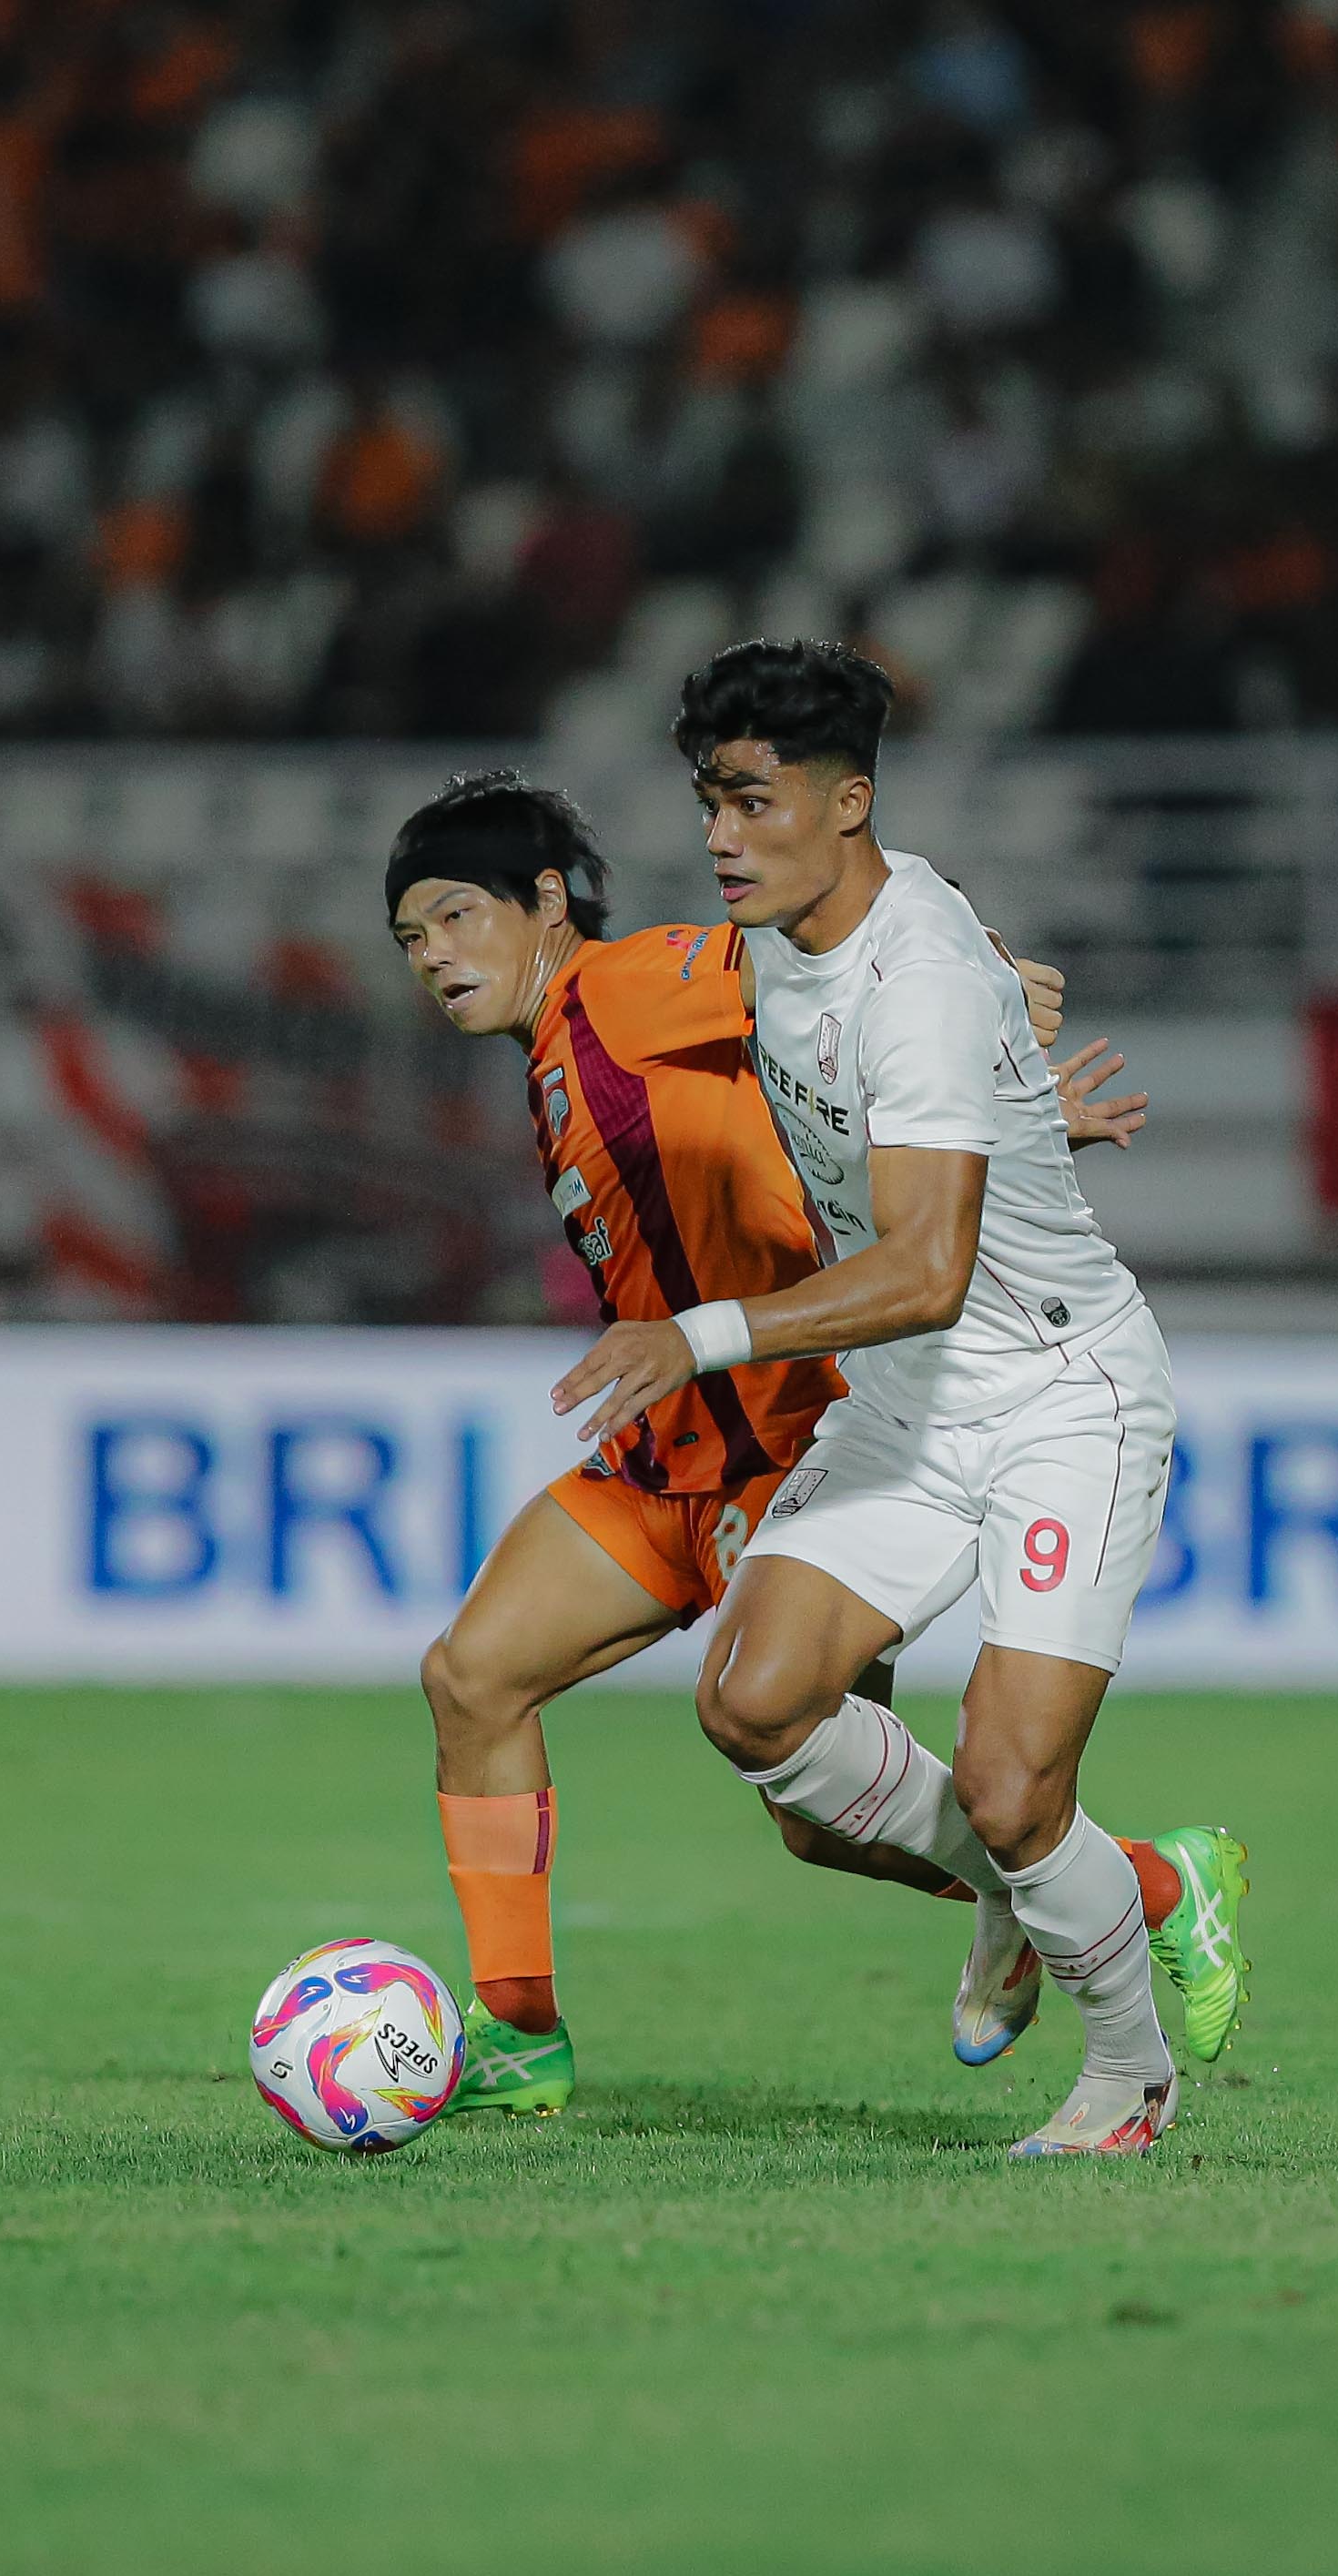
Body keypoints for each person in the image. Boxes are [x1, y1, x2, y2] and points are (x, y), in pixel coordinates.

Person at [386, 769, 1242, 2117]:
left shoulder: (628, 982)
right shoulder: (556, 1059)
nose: (434, 956)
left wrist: (986, 1014)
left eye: (451, 917)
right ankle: (518, 2035)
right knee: (473, 1678)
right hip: (668, 1450)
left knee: (814, 1814)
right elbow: (811, 1104)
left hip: (793, 1436)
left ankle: (1129, 1881)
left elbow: (822, 958)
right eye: (411, 940)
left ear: (546, 902)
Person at [554, 640, 1201, 2158]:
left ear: (849, 804)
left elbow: (920, 1267)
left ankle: (1131, 2079)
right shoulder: (791, 933)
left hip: (1059, 1394)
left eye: (755, 801)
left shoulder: (914, 976)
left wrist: (693, 1336)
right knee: (755, 1704)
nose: (721, 835)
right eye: (710, 799)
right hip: (912, 1402)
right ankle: (1036, 1896)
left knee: (1012, 1780)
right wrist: (1026, 1127)